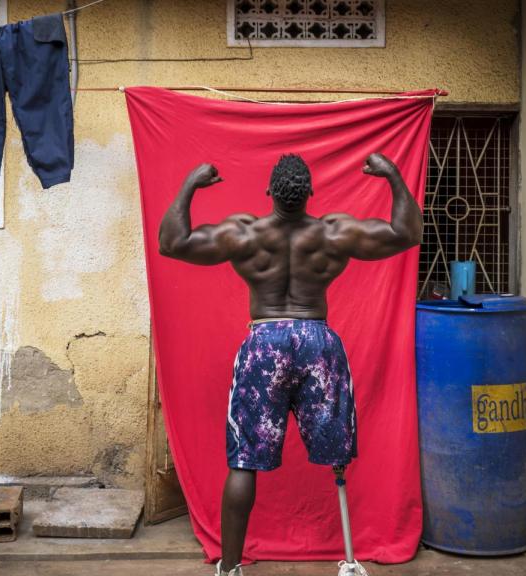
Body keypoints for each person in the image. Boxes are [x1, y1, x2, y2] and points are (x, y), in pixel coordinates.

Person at [158, 152, 423, 576]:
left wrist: (190, 183)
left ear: (269, 192)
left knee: (244, 459)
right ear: (310, 193)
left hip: (264, 343)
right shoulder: (332, 233)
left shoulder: (245, 234)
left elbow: (171, 242)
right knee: (336, 451)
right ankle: (350, 561)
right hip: (318, 341)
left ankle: (229, 569)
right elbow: (406, 232)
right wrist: (391, 175)